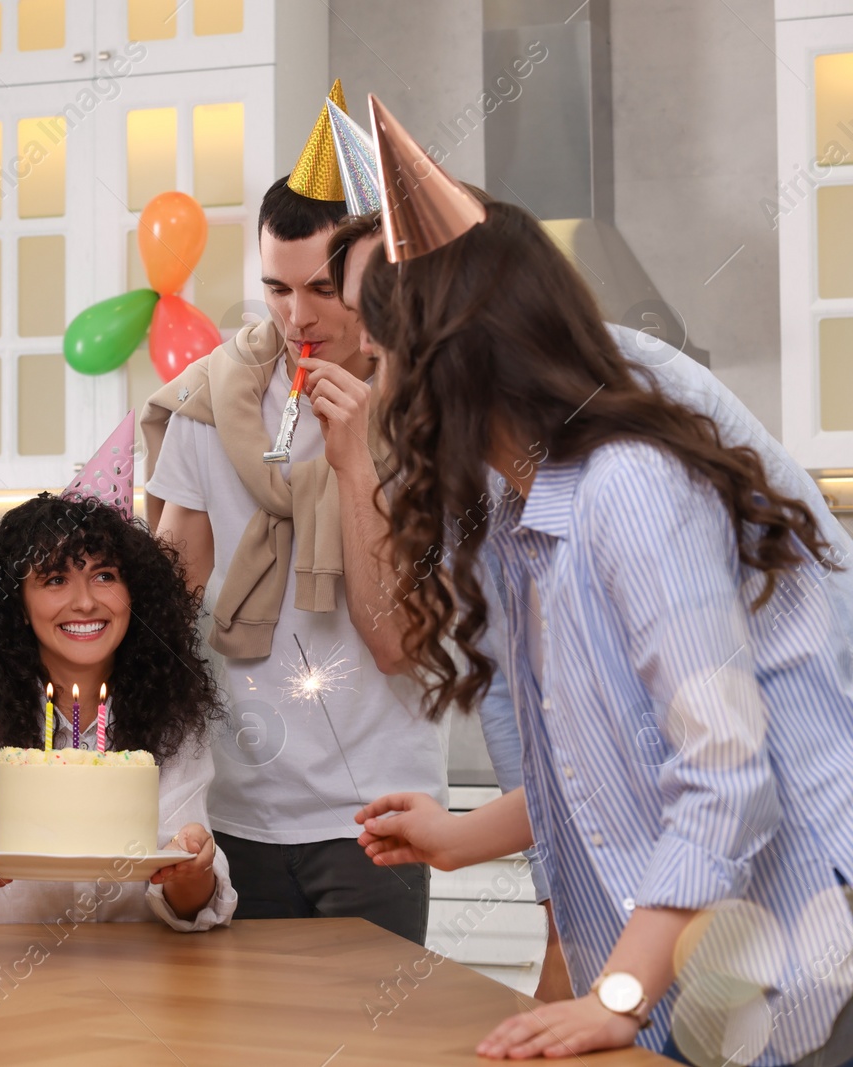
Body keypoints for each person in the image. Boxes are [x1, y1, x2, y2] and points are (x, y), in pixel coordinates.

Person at [348, 97, 853, 1064]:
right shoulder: (518, 517)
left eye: (386, 354)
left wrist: (617, 995)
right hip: (712, 985)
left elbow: (722, 777)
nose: (377, 385)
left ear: (449, 357)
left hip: (800, 963)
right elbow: (610, 758)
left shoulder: (630, 489)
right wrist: (463, 835)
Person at [143, 82, 446, 943]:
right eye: (275, 288)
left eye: (321, 289)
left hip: (381, 812)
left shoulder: (435, 418)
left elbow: (395, 640)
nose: (296, 317)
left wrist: (353, 464)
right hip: (233, 811)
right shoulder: (209, 401)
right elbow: (169, 594)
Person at [0, 492, 236, 934]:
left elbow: (193, 910)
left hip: (133, 983)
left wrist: (192, 869)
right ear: (17, 602)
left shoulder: (174, 722)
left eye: (105, 575)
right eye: (55, 579)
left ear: (138, 592)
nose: (86, 602)